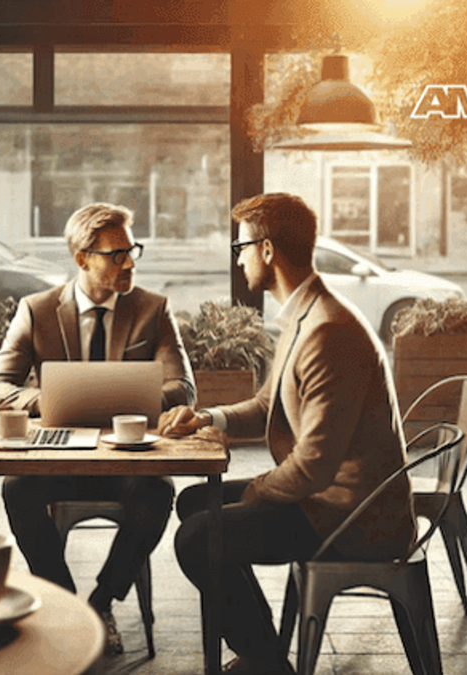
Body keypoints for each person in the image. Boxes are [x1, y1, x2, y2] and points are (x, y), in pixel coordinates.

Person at [159, 193, 416, 675]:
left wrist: (257, 492)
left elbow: (315, 465)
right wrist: (205, 418)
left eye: (242, 248)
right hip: (330, 499)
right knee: (194, 503)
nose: (238, 259)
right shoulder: (305, 314)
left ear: (269, 250)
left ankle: (265, 663)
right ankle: (264, 649)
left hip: (352, 517)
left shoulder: (327, 332)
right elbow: (265, 406)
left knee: (198, 538)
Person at [0, 202, 195, 655]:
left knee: (158, 493)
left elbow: (183, 388)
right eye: (116, 254)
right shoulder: (37, 311)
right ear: (82, 258)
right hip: (59, 457)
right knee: (16, 488)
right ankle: (62, 602)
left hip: (126, 458)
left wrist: (124, 399)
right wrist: (50, 400)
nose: (129, 262)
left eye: (131, 250)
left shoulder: (153, 310)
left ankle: (100, 603)